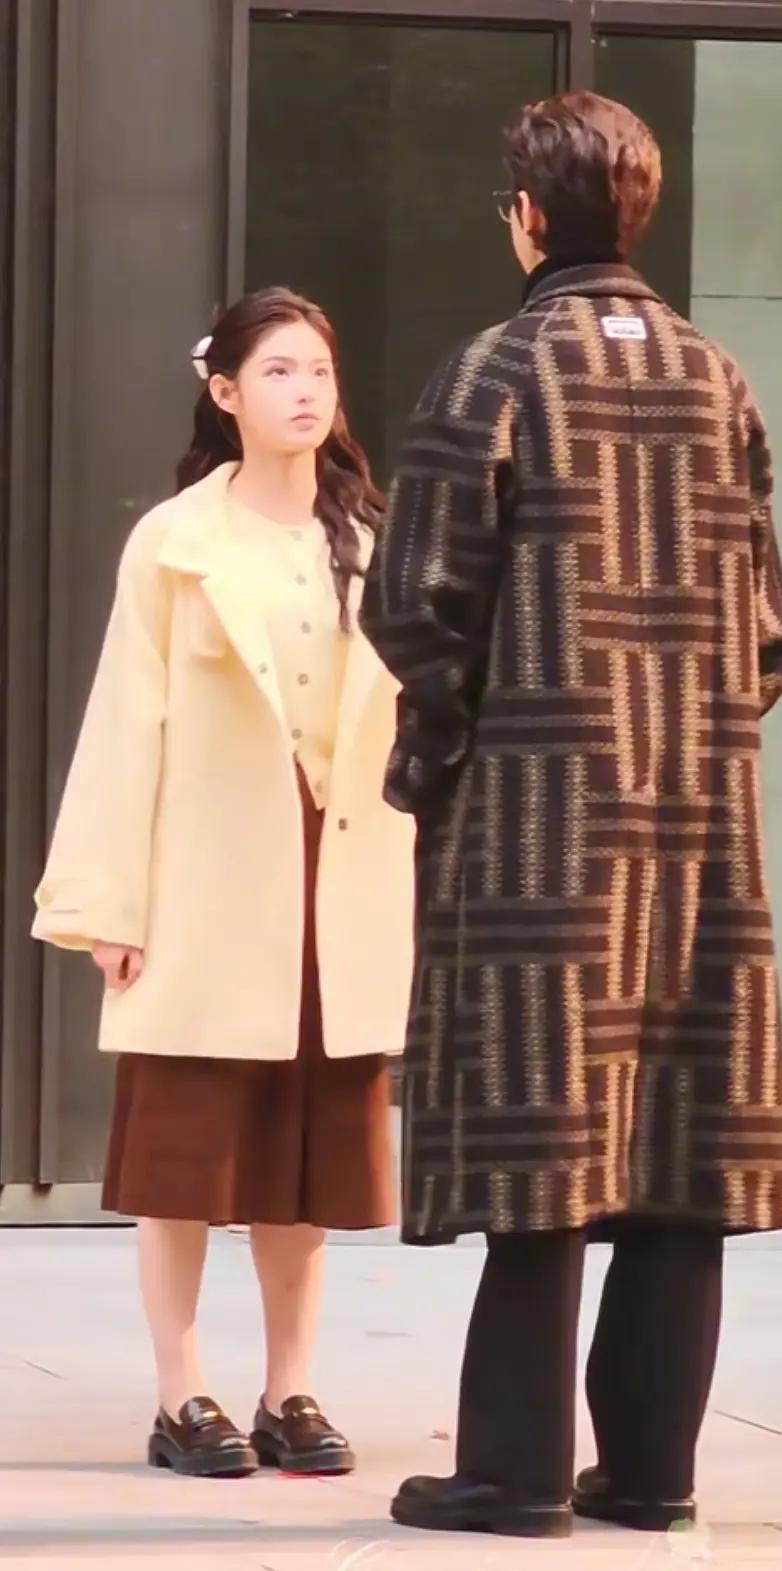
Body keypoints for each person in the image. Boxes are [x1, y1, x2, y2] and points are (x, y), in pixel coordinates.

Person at [361, 92, 782, 1540]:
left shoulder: (495, 369)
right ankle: (653, 1474)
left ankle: (515, 1474)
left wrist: (449, 753)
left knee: (538, 1149)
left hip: (536, 824)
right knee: (678, 1150)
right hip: (700, 830)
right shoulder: (716, 377)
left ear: (530, 216)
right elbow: (769, 630)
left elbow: (415, 603)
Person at [33, 287, 413, 1479]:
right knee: (185, 1158)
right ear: (225, 391)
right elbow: (123, 722)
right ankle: (180, 1391)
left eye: (321, 371)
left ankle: (291, 1386)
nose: (307, 392)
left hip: (336, 880)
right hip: (204, 885)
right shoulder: (174, 541)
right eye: (281, 371)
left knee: (306, 1161)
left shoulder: (373, 536)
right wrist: (110, 905)